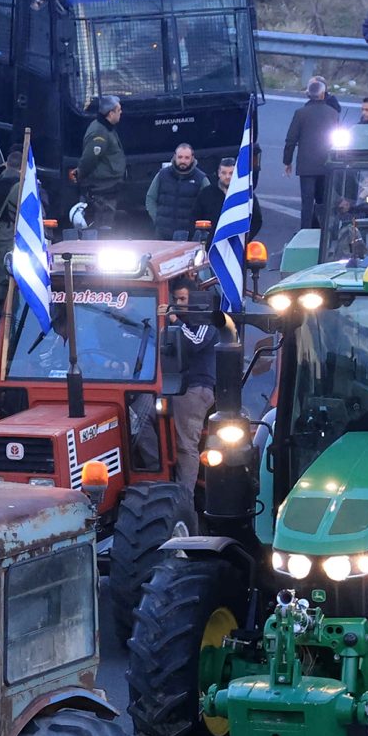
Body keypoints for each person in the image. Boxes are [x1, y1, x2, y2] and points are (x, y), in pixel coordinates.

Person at [163, 281, 224, 496]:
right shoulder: (183, 322)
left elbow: (195, 342)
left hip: (195, 388)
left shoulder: (206, 322)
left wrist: (173, 320)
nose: (178, 304)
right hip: (174, 388)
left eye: (183, 299)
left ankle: (184, 496)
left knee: (185, 445)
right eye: (175, 300)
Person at [281, 75, 340, 233]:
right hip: (327, 164)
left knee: (307, 202)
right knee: (323, 201)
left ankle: (304, 232)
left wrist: (287, 162)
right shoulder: (333, 113)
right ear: (323, 94)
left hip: (306, 166)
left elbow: (291, 139)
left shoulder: (301, 113)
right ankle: (324, 231)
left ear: (309, 94)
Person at [71, 93, 126, 232]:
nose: (121, 112)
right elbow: (89, 158)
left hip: (109, 186)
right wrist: (80, 174)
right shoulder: (99, 132)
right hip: (102, 188)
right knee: (103, 224)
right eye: (118, 110)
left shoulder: (107, 128)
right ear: (110, 113)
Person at [145, 143, 213, 241]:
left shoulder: (201, 179)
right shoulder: (162, 175)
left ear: (192, 158)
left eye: (186, 158)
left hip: (189, 236)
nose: (183, 161)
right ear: (174, 157)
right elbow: (150, 198)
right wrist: (157, 219)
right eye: (180, 157)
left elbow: (209, 205)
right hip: (162, 235)